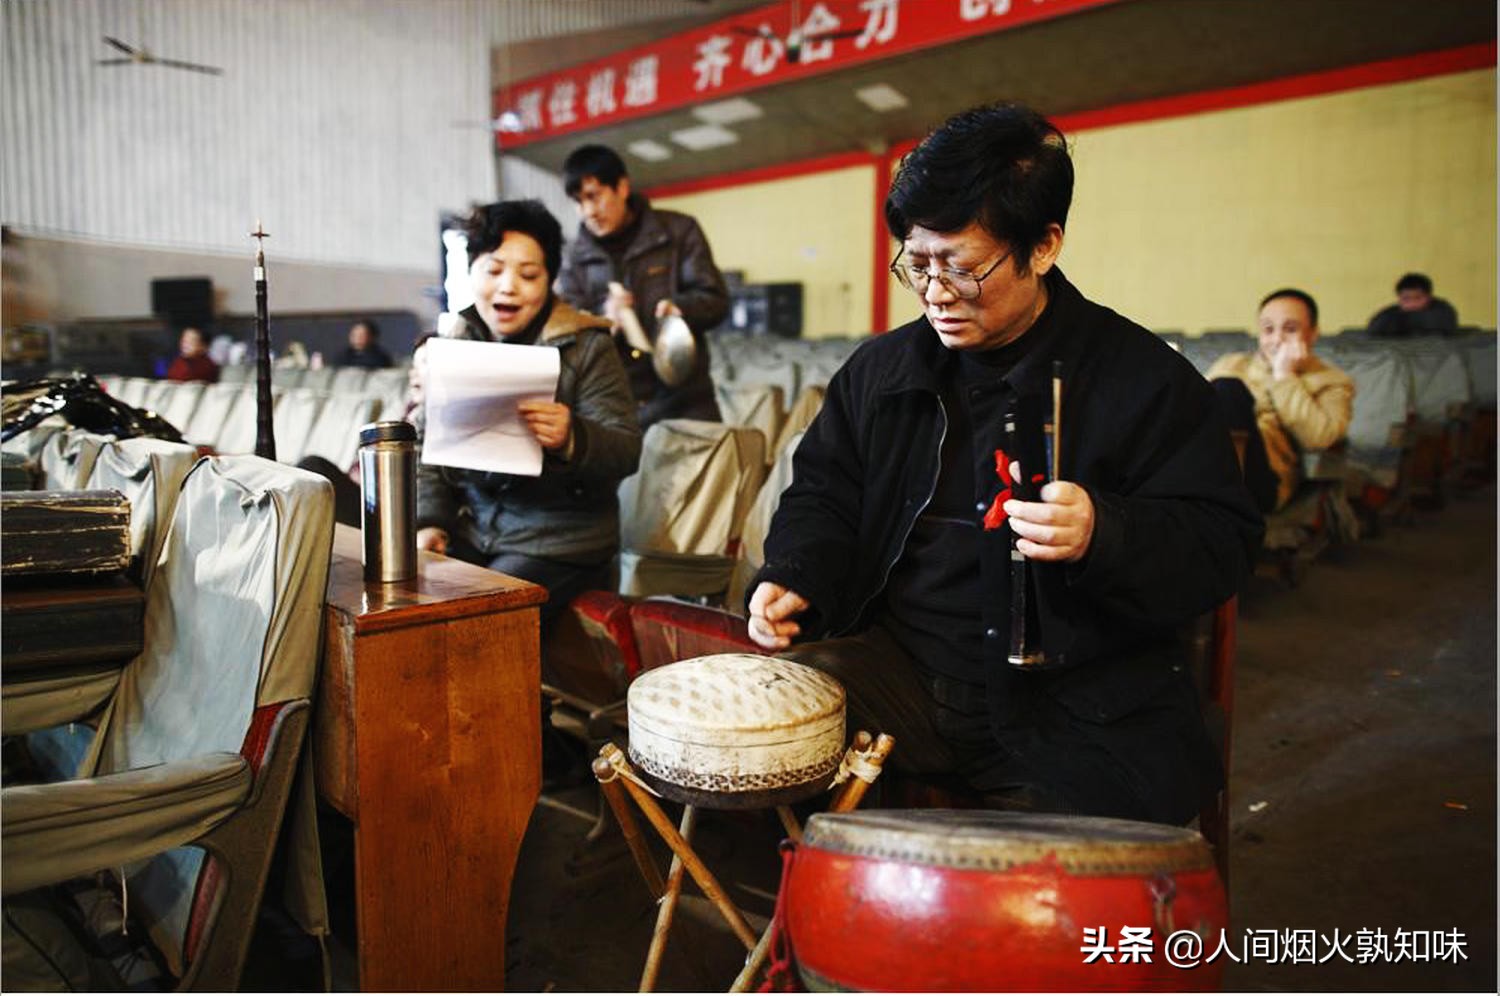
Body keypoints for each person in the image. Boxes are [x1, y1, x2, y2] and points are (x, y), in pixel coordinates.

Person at [746, 103, 1263, 827]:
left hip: (1075, 703)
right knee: (747, 724)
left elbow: (1223, 545)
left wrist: (1105, 531)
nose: (934, 293)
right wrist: (794, 574)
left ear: (1044, 246)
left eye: (960, 267)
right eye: (917, 265)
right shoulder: (883, 370)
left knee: (1068, 913)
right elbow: (827, 492)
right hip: (901, 674)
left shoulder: (1142, 380)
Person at [415, 200, 641, 626]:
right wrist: (430, 521)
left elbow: (627, 449)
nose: (508, 287)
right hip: (476, 532)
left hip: (560, 544)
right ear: (471, 273)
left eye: (528, 275)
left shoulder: (589, 346)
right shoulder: (455, 342)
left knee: (475, 617)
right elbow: (427, 449)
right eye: (494, 270)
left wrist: (573, 437)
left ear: (551, 280)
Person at [556, 144, 730, 427]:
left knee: (710, 470)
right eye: (578, 201)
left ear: (622, 188)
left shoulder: (678, 232)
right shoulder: (572, 258)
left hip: (686, 397)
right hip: (614, 405)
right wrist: (602, 320)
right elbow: (567, 331)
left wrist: (680, 308)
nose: (588, 211)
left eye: (594, 196)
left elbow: (716, 300)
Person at [1207, 289, 1354, 512]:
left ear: (1313, 333)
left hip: (1265, 478)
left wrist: (1284, 376)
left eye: (1291, 329)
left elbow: (1320, 438)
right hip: (1205, 465)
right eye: (1268, 329)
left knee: (1228, 390)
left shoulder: (1332, 381)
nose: (1277, 339)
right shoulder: (1232, 364)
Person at [1367, 273, 1460, 336]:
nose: (1412, 303)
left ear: (1429, 297)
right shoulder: (1391, 312)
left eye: (1417, 298)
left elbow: (1442, 324)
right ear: (1399, 299)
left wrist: (1403, 320)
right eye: (1406, 299)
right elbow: (1374, 328)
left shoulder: (1443, 311)